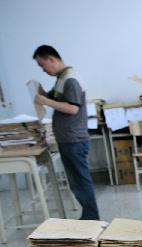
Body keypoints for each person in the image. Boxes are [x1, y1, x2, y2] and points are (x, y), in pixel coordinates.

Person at [31, 45, 100, 220]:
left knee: (80, 181)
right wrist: (43, 93)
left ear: (51, 59)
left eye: (42, 65)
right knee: (76, 182)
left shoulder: (70, 79)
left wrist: (45, 100)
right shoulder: (62, 78)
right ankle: (89, 217)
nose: (43, 70)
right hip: (68, 139)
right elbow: (59, 100)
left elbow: (72, 108)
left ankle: (92, 219)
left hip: (74, 140)